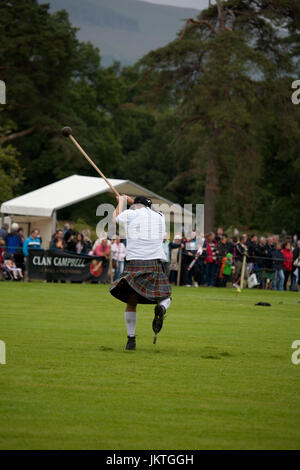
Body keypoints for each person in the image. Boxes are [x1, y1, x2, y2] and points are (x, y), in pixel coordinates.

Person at [110, 195, 171, 350]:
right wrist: (132, 201)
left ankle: (131, 340)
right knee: (165, 296)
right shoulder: (160, 216)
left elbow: (114, 219)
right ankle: (162, 308)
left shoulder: (131, 214)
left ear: (135, 205)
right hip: (155, 262)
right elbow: (145, 207)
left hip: (134, 263)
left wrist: (121, 202)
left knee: (131, 301)